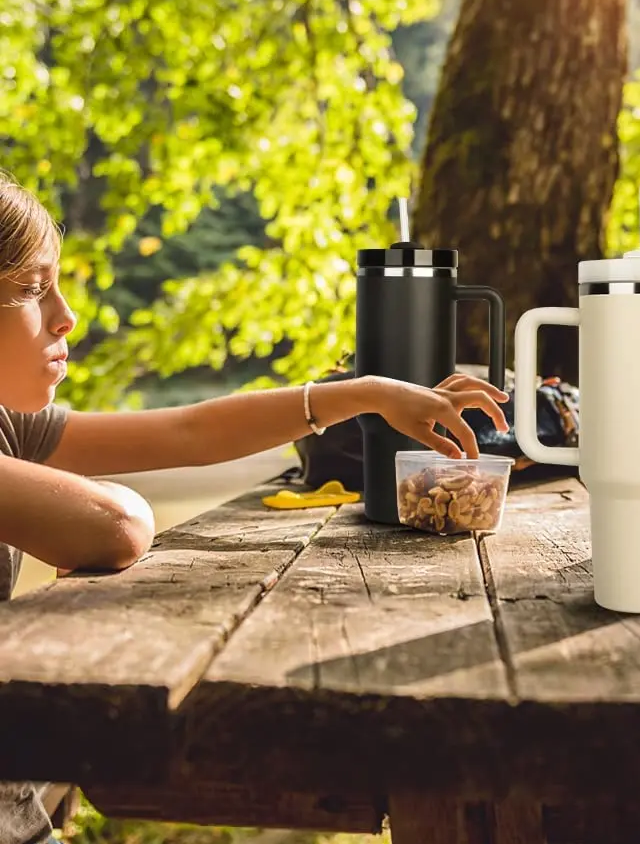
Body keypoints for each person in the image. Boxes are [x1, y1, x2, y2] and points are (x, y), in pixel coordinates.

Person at [0, 171, 508, 844]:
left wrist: (364, 392)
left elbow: (191, 432)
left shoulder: (11, 425)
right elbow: (115, 528)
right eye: (34, 289)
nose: (66, 315)